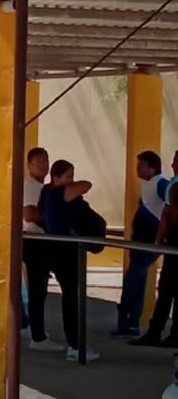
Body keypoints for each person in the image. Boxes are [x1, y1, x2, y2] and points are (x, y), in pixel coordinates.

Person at [41, 159, 100, 362]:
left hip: (65, 252)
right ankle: (75, 345)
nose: (71, 180)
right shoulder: (57, 194)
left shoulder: (52, 194)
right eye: (67, 176)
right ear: (55, 177)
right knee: (72, 298)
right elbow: (86, 185)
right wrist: (70, 185)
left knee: (72, 296)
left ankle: (75, 343)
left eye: (72, 176)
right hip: (63, 253)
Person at [113, 150, 169, 337]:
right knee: (137, 279)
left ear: (152, 167)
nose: (137, 169)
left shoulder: (161, 183)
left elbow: (170, 205)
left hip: (150, 240)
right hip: (140, 238)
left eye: (141, 166)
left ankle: (128, 319)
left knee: (133, 280)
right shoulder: (148, 184)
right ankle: (131, 322)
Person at [22, 147, 63, 352]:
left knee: (38, 289)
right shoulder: (32, 187)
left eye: (45, 161)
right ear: (29, 165)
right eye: (38, 162)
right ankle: (38, 337)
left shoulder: (39, 186)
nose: (43, 166)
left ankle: (35, 329)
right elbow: (29, 214)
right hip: (35, 241)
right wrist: (53, 218)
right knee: (38, 290)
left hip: (36, 241)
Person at [129, 180, 178, 346]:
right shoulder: (172, 191)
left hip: (172, 250)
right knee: (166, 292)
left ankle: (160, 333)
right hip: (172, 251)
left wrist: (158, 244)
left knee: (166, 293)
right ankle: (161, 333)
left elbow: (164, 221)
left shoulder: (169, 195)